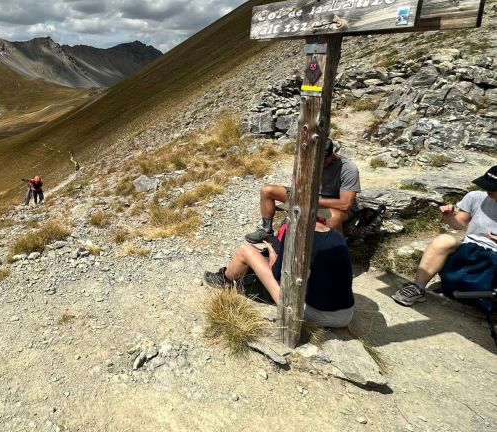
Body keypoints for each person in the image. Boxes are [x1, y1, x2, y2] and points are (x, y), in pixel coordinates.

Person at [205, 219, 356, 328]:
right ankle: (228, 278)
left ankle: (224, 280)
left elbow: (278, 276)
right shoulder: (336, 235)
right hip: (346, 314)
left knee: (246, 251)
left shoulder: (295, 234)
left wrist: (273, 256)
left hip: (317, 314)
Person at [392, 165, 497, 307]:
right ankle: (418, 287)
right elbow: (459, 224)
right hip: (471, 248)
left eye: (493, 188)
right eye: (487, 186)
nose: (488, 190)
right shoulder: (476, 197)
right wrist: (449, 217)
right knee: (443, 240)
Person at [245, 138, 360, 242]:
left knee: (333, 218)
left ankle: (336, 250)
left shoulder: (348, 169)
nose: (316, 164)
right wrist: (300, 197)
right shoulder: (310, 162)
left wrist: (310, 201)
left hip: (334, 205)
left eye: (321, 161)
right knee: (267, 190)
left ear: (331, 156)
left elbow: (345, 204)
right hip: (309, 197)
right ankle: (266, 230)